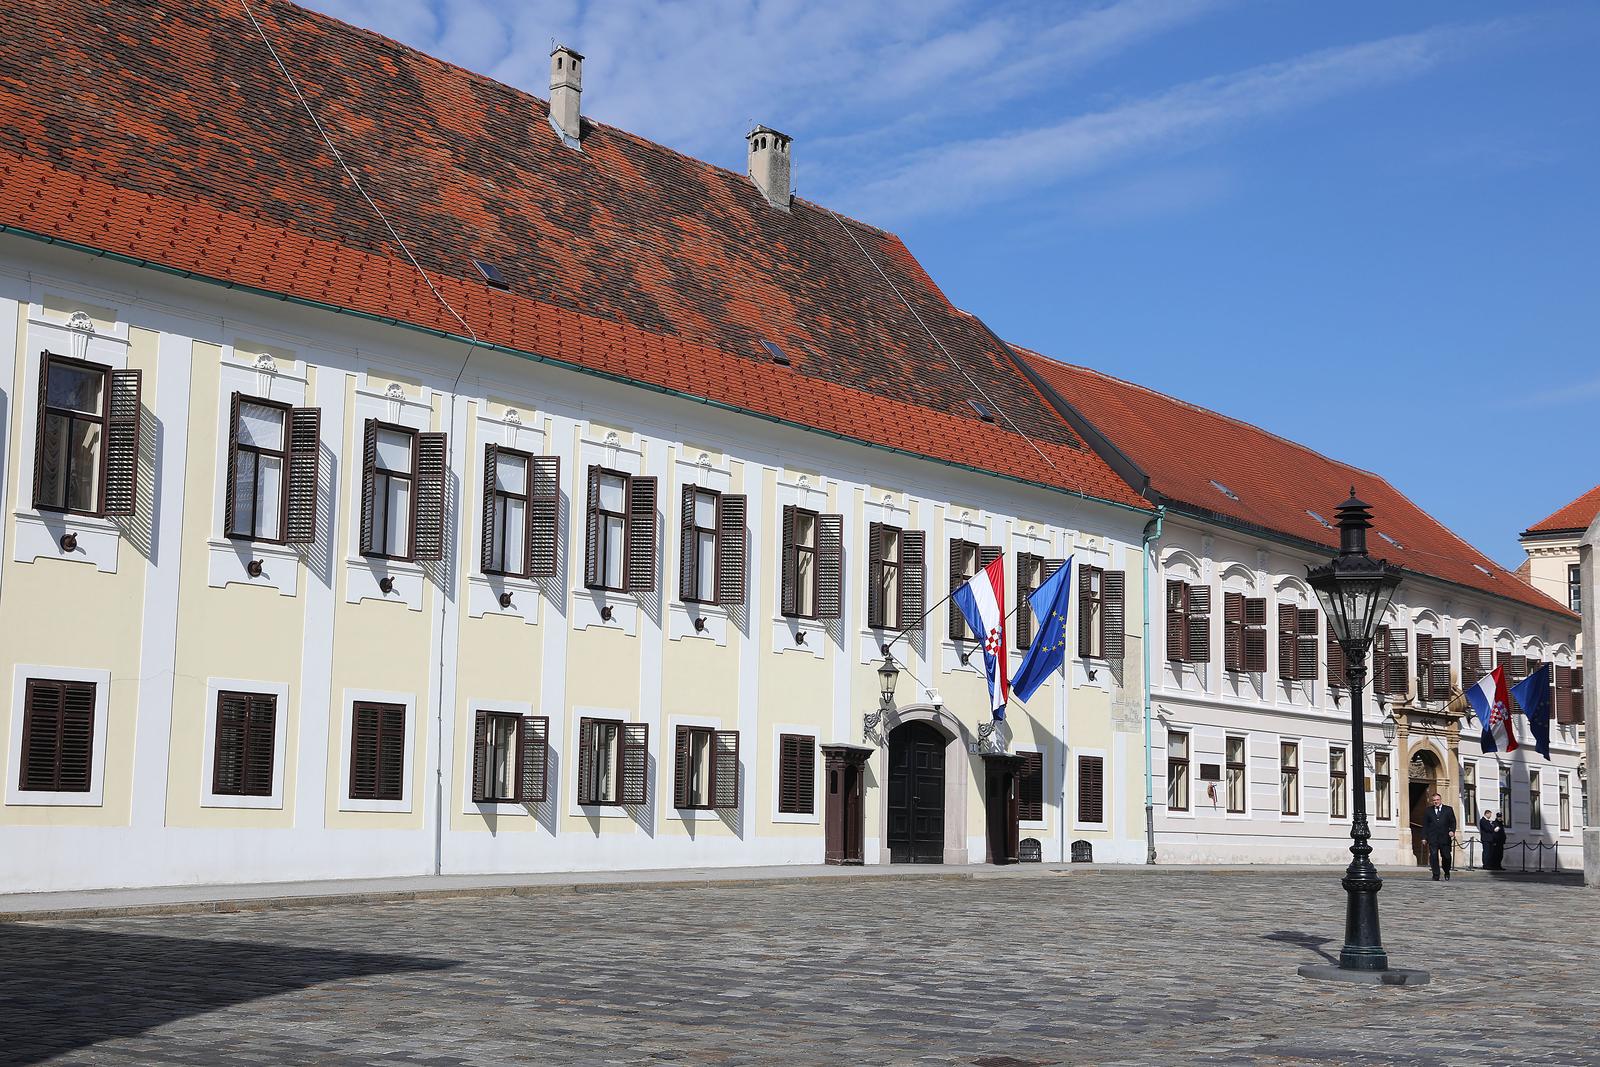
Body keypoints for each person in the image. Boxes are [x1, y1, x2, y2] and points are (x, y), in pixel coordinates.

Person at [1421, 791, 1457, 881]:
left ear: (1440, 800)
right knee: (1433, 856)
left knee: (1446, 856)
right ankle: (1436, 874)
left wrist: (1452, 831)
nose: (1436, 802)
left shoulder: (1448, 809)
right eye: (1434, 800)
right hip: (1433, 838)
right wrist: (1424, 837)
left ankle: (1446, 871)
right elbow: (1425, 825)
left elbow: (1453, 822)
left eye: (1437, 800)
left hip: (1445, 838)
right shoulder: (1428, 811)